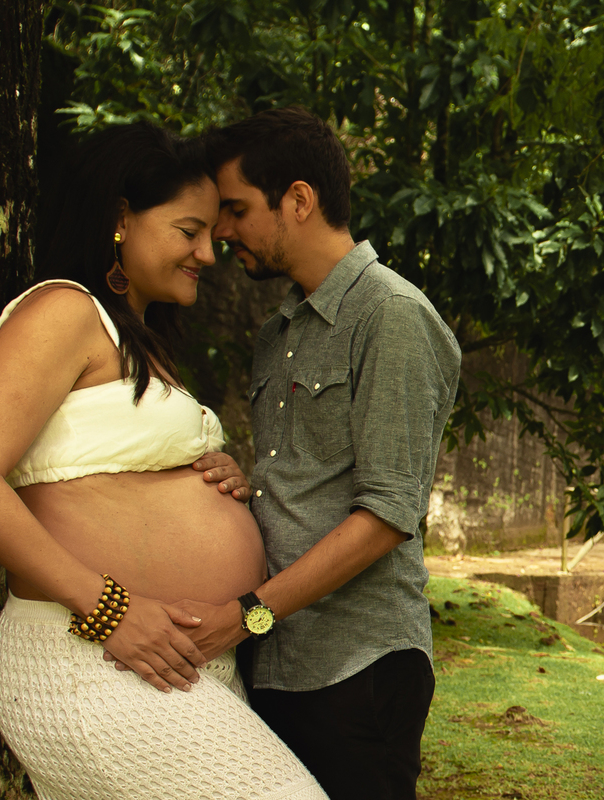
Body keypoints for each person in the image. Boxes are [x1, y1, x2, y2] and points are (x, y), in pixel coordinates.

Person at [0, 123, 326, 800]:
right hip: (91, 655)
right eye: (188, 230)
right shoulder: (64, 311)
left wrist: (213, 468)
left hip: (167, 661)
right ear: (120, 219)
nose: (208, 251)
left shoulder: (134, 336)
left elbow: (105, 458)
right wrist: (109, 611)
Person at [178, 107, 463, 800]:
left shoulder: (391, 315)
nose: (221, 233)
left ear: (298, 200)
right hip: (276, 665)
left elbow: (387, 515)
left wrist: (247, 613)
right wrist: (242, 488)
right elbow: (308, 482)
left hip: (358, 668)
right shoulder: (280, 333)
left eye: (237, 210)